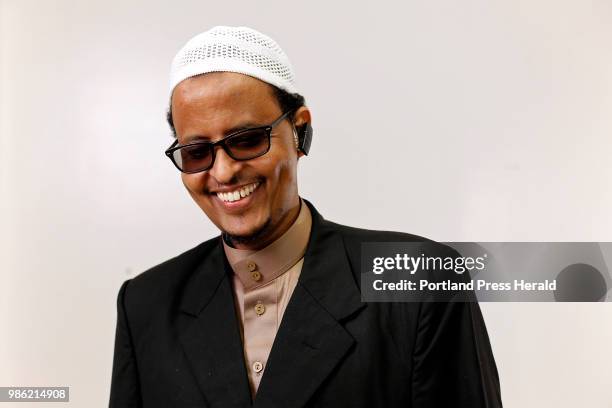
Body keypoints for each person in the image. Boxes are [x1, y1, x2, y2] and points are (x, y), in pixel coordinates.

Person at [109, 26, 502, 407]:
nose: (224, 172)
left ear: (300, 131)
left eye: (247, 140)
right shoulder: (146, 305)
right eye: (197, 152)